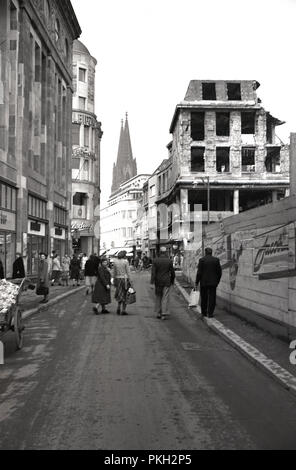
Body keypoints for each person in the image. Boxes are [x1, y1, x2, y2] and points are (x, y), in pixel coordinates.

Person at [195, 247, 222, 318]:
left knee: (204, 297)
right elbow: (219, 272)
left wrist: (197, 282)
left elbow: (199, 273)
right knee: (212, 298)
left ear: (205, 252)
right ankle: (210, 313)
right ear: (211, 252)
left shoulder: (202, 260)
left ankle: (204, 313)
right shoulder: (216, 260)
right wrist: (217, 281)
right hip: (213, 282)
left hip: (204, 282)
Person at [150, 246, 175, 320]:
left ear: (159, 252)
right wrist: (172, 281)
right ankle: (164, 313)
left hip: (158, 281)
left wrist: (152, 282)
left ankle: (158, 312)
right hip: (166, 281)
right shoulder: (169, 261)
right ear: (166, 252)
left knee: (158, 297)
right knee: (165, 297)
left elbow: (153, 273)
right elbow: (172, 273)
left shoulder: (155, 260)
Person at [112, 250, 133, 315]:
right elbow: (128, 272)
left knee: (119, 293)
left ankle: (118, 306)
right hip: (125, 279)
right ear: (124, 255)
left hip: (118, 279)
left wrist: (114, 279)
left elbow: (114, 272)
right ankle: (123, 310)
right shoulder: (125, 262)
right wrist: (131, 280)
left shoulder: (115, 262)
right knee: (125, 294)